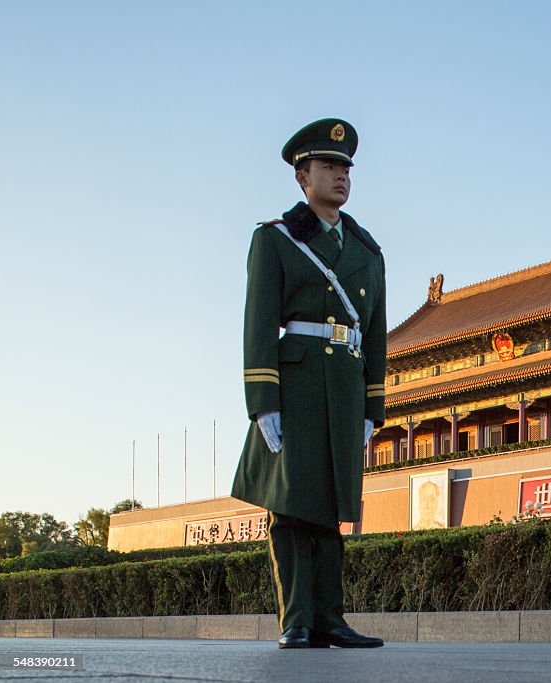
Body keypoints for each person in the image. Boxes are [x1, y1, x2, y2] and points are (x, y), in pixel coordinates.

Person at [232, 118, 387, 649]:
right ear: (303, 177)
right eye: (328, 167)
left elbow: (377, 333)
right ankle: (297, 619)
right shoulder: (275, 240)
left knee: (332, 504)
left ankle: (332, 620)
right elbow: (259, 321)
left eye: (346, 168)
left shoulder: (367, 250)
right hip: (295, 381)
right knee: (293, 505)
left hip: (345, 384)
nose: (340, 176)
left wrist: (373, 406)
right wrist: (262, 400)